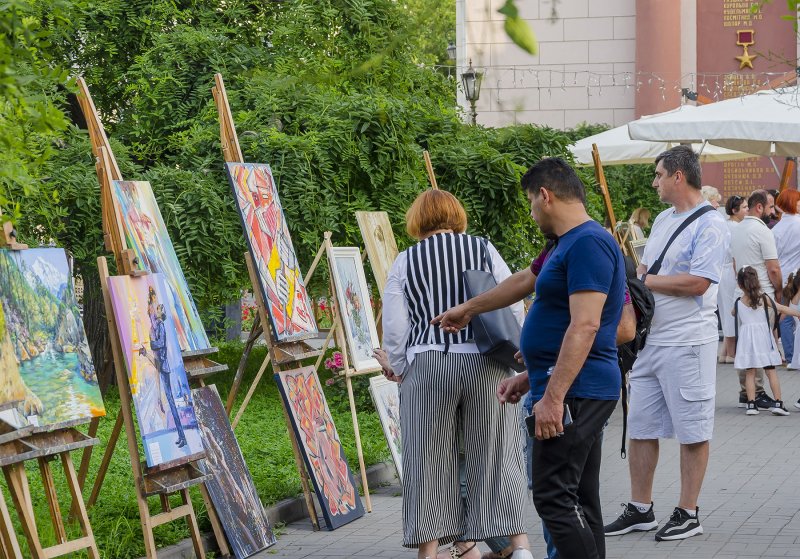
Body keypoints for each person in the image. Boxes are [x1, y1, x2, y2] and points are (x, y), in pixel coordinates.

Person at [437, 158, 627, 559]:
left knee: (553, 496)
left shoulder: (589, 243)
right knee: (578, 499)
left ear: (546, 195)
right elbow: (524, 280)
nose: (531, 212)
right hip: (574, 385)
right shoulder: (563, 244)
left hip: (577, 391)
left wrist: (553, 396)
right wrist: (469, 310)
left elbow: (586, 326)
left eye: (529, 202)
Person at [381, 189, 533, 559]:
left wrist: (400, 368)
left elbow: (396, 327)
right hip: (486, 363)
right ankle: (520, 547)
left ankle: (429, 553)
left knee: (427, 460)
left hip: (429, 362)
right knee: (497, 454)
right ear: (456, 215)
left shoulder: (405, 260)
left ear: (418, 220)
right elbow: (511, 302)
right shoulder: (482, 248)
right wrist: (518, 356)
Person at [604, 145, 729, 542]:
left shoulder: (711, 224)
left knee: (693, 428)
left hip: (689, 341)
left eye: (659, 175)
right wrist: (637, 279)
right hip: (650, 340)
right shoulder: (661, 219)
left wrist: (644, 283)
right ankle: (641, 508)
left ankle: (688, 510)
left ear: (678, 176)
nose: (654, 182)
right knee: (640, 426)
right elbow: (646, 267)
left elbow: (699, 282)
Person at [729, 190, 781, 409]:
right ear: (759, 207)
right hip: (762, 294)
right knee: (761, 344)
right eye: (770, 207)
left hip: (741, 294)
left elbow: (734, 264)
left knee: (746, 344)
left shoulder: (737, 228)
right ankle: (757, 392)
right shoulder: (762, 231)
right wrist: (779, 292)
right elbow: (773, 268)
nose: (773, 211)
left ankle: (746, 392)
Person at [734, 266, 799, 415]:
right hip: (763, 339)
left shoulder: (738, 301)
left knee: (750, 372)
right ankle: (778, 403)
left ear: (740, 285)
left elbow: (733, 313)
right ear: (757, 281)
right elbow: (781, 308)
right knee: (771, 371)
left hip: (748, 341)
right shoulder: (763, 298)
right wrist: (797, 313)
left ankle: (751, 405)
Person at [771, 189, 800, 365]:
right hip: (797, 274)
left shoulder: (777, 228)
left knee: (785, 315)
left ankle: (789, 355)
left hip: (783, 274)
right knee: (792, 315)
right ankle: (794, 355)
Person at [718, 195, 748, 363]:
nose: (746, 210)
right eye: (744, 207)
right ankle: (731, 353)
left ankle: (724, 352)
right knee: (731, 311)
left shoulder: (726, 225)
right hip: (730, 271)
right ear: (734, 210)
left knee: (725, 309)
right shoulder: (735, 227)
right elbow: (735, 254)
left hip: (724, 271)